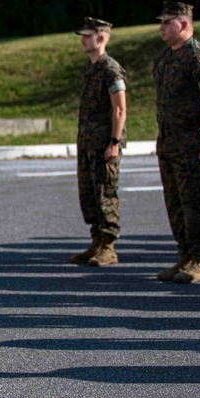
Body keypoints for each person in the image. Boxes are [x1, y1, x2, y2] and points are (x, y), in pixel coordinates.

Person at [153, 1, 200, 284]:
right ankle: (185, 256)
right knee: (176, 204)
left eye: (167, 22)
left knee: (194, 204)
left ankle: (199, 261)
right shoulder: (164, 58)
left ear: (184, 24)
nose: (162, 28)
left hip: (193, 145)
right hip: (169, 145)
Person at [69, 17, 127, 267]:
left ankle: (108, 246)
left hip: (105, 144)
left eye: (87, 35)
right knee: (90, 194)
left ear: (101, 38)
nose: (83, 39)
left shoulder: (110, 69)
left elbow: (119, 109)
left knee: (105, 192)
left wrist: (114, 141)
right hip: (88, 143)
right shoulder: (89, 69)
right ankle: (97, 241)